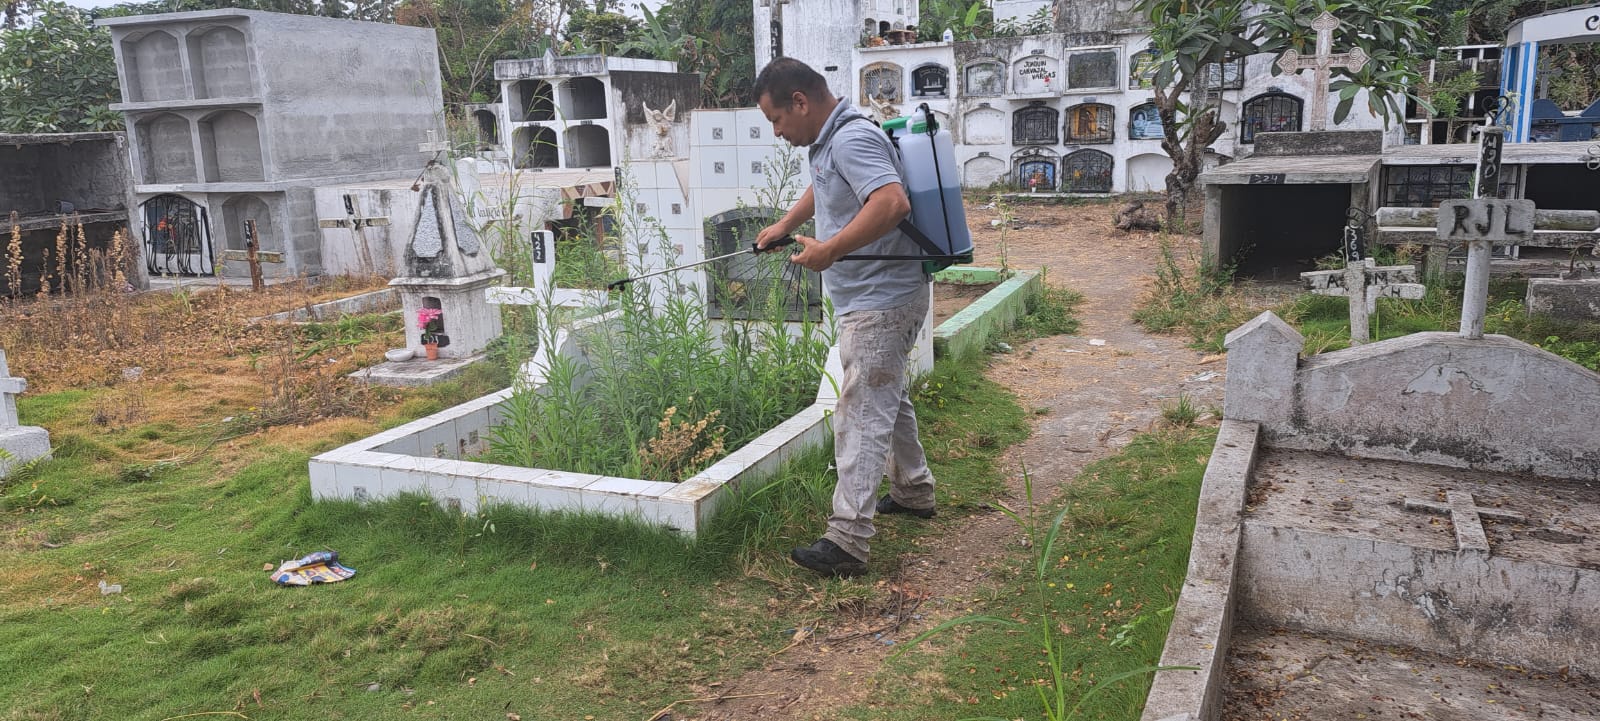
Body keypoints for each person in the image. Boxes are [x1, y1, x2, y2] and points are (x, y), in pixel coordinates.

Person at [752, 57, 938, 578]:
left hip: (881, 300)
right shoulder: (832, 140)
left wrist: (830, 249)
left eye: (776, 119)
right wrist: (786, 224)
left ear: (800, 102)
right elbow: (828, 184)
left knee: (859, 412)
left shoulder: (852, 138)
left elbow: (891, 203)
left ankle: (848, 539)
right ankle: (915, 490)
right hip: (875, 296)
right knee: (886, 395)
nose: (776, 131)